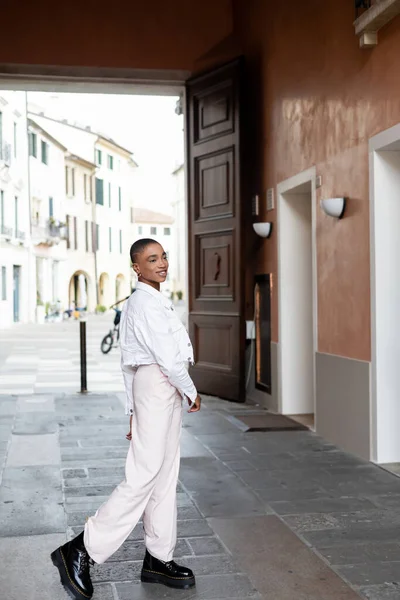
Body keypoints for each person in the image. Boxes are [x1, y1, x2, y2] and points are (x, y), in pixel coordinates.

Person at [51, 238, 201, 600]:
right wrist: (191, 390)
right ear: (137, 267)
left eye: (163, 256)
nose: (161, 263)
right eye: (152, 259)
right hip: (160, 383)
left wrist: (133, 410)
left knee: (165, 475)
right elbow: (164, 359)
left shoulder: (152, 300)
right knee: (143, 476)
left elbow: (127, 362)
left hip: (158, 389)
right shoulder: (144, 303)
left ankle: (158, 557)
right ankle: (81, 548)